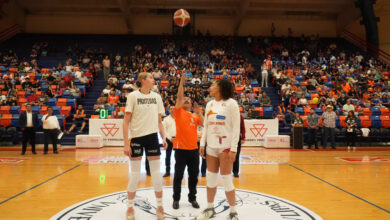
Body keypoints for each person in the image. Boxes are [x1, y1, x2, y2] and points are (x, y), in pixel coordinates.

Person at [122, 72, 167, 220]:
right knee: (135, 174)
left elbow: (159, 120)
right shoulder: (133, 96)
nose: (153, 80)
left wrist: (164, 137)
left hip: (152, 137)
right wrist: (125, 143)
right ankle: (130, 207)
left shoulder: (157, 97)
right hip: (136, 138)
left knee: (155, 173)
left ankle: (160, 206)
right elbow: (126, 121)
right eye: (151, 78)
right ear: (142, 80)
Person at [198, 79, 240, 220]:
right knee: (211, 179)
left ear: (220, 88)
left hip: (226, 146)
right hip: (211, 147)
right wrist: (202, 143)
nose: (210, 87)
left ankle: (233, 212)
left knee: (227, 179)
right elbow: (206, 126)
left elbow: (236, 128)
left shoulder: (232, 104)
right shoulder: (209, 103)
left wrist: (234, 149)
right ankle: (210, 209)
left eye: (213, 85)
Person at [172, 74, 203, 210]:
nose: (186, 100)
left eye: (188, 99)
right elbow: (179, 97)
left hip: (193, 150)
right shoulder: (179, 112)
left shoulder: (194, 116)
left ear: (191, 104)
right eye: (184, 99)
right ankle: (176, 199)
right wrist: (181, 83)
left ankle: (192, 198)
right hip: (180, 150)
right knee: (178, 176)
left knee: (193, 177)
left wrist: (200, 112)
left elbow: (204, 123)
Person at [162, 106, 176, 177]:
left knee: (178, 157)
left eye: (174, 109)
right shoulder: (166, 119)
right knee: (168, 156)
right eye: (171, 109)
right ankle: (167, 171)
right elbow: (164, 130)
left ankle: (177, 171)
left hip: (178, 139)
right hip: (169, 139)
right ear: (169, 110)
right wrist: (170, 138)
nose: (172, 110)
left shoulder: (179, 118)